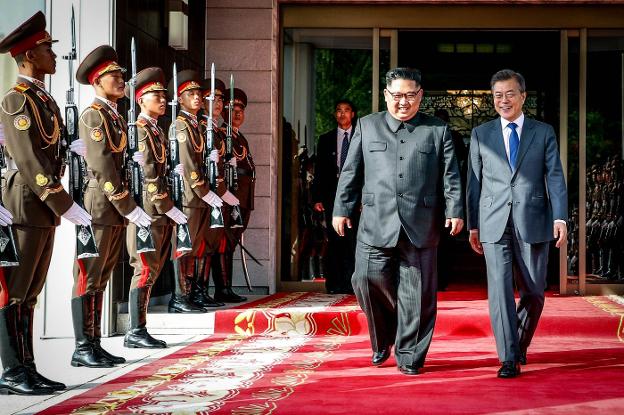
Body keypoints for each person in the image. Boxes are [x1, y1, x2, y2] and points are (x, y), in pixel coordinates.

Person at [332, 67, 464, 376]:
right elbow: (351, 172)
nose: (402, 102)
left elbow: (451, 176)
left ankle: (410, 356)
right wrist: (342, 208)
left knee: (417, 295)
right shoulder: (367, 126)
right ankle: (383, 339)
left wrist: (454, 210)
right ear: (385, 95)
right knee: (365, 279)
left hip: (421, 222)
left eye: (409, 95)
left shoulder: (438, 130)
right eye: (396, 95)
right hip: (375, 221)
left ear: (420, 96)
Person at [0, 11, 92, 394]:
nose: (53, 55)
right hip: (26, 204)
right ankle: (12, 371)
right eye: (46, 49)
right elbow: (30, 163)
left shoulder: (43, 98)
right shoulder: (16, 100)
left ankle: (28, 366)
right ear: (28, 56)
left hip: (41, 209)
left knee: (32, 292)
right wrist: (64, 202)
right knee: (16, 291)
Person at [466, 69, 567, 378]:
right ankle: (509, 357)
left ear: (523, 96)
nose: (504, 100)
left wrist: (560, 216)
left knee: (535, 292)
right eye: (498, 95)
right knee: (499, 291)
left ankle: (518, 341)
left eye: (510, 94)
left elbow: (554, 175)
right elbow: (474, 181)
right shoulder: (481, 133)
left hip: (534, 219)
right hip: (493, 222)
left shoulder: (543, 131)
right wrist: (473, 225)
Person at [71, 45, 152, 367]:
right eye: (113, 76)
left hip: (113, 209)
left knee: (102, 276)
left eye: (121, 75)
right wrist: (127, 205)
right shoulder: (93, 115)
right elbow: (102, 165)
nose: (121, 80)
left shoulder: (114, 116)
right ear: (96, 80)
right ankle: (82, 346)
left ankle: (93, 342)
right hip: (101, 206)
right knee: (88, 276)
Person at [123, 67, 187, 349]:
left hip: (158, 213)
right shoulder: (139, 131)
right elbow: (148, 175)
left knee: (153, 268)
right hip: (147, 212)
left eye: (163, 94)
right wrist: (167, 206)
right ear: (140, 100)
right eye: (155, 95)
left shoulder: (156, 131)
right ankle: (135, 330)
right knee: (145, 268)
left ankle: (140, 327)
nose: (162, 99)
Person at [167, 69, 224, 313]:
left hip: (198, 198)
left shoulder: (196, 125)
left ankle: (189, 294)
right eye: (190, 94)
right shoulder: (180, 125)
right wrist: (204, 190)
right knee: (183, 245)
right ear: (180, 99)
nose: (198, 97)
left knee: (196, 246)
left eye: (199, 93)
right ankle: (179, 297)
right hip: (190, 197)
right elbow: (189, 164)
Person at [312, 99, 358, 294]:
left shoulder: (360, 136)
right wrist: (317, 198)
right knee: (334, 239)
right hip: (332, 195)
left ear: (353, 114)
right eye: (338, 110)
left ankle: (351, 283)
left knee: (352, 240)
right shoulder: (326, 139)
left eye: (346, 110)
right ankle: (334, 283)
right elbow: (319, 171)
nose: (342, 114)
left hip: (356, 196)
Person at [212, 87, 253, 303]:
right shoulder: (222, 135)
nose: (237, 114)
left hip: (242, 196)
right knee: (224, 243)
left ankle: (226, 287)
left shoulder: (239, 137)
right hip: (230, 196)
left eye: (240, 110)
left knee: (232, 242)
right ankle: (222, 288)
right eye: (232, 110)